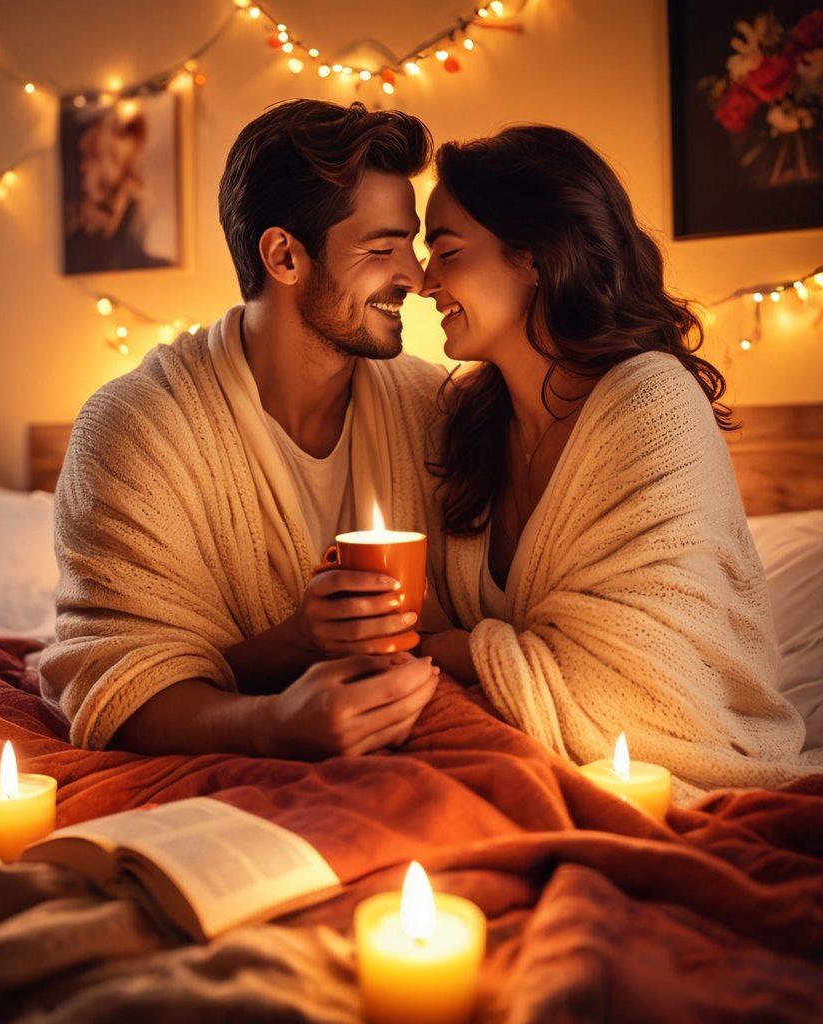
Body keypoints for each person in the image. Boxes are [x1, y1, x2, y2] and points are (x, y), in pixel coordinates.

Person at [416, 124, 819, 799]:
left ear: (535, 257)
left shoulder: (653, 404)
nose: (424, 281)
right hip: (508, 748)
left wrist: (438, 646)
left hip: (672, 759)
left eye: (447, 251)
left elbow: (636, 687)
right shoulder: (468, 422)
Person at [41, 100, 452, 759]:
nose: (417, 278)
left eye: (413, 245)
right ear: (284, 256)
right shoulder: (137, 430)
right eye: (382, 248)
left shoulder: (429, 407)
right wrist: (278, 722)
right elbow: (119, 683)